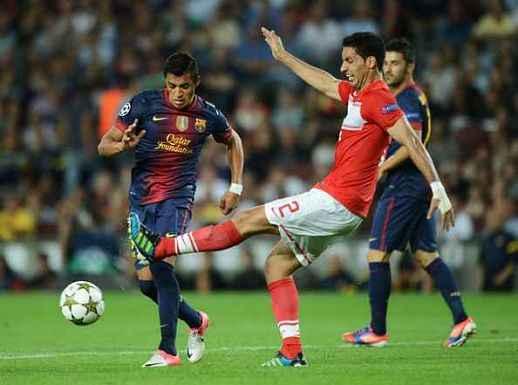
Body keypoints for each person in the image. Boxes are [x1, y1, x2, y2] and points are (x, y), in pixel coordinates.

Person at [129, 30, 454, 367]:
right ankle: (292, 352)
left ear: (370, 62)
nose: (343, 67)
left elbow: (413, 141)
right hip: (345, 208)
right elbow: (325, 82)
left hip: (335, 201)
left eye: (349, 60)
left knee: (247, 221)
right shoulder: (358, 93)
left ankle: (162, 247)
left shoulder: (377, 97)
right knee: (278, 265)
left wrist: (438, 188)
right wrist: (283, 57)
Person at [98, 52, 244, 367]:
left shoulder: (208, 115)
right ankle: (196, 320)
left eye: (185, 86)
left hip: (177, 199)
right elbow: (104, 145)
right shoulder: (142, 104)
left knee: (162, 266)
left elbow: (234, 142)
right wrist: (123, 145)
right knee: (147, 284)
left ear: (196, 84)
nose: (178, 92)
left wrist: (235, 187)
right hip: (141, 200)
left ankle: (168, 350)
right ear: (165, 82)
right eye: (172, 85)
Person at [343, 38, 476, 348]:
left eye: (395, 63)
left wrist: (382, 167)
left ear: (410, 66)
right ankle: (461, 319)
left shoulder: (406, 98)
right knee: (426, 254)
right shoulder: (411, 96)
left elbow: (412, 140)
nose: (389, 68)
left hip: (404, 185)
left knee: (377, 253)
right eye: (386, 63)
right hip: (417, 186)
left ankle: (377, 330)